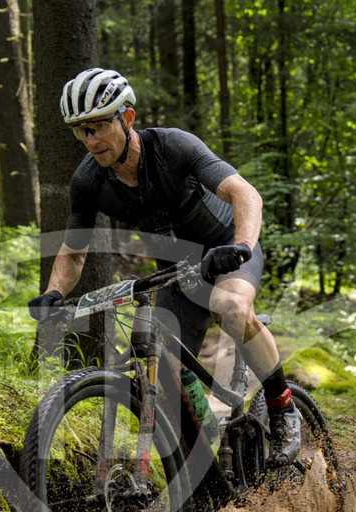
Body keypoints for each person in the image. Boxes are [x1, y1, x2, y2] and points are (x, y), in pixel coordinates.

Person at [28, 67, 300, 465]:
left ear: (128, 118)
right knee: (164, 376)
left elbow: (244, 193)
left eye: (100, 126)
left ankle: (282, 408)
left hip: (226, 246)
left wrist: (241, 244)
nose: (92, 140)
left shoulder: (173, 147)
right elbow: (73, 252)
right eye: (82, 131)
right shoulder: (89, 181)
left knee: (231, 306)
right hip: (178, 269)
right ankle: (208, 458)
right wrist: (54, 294)